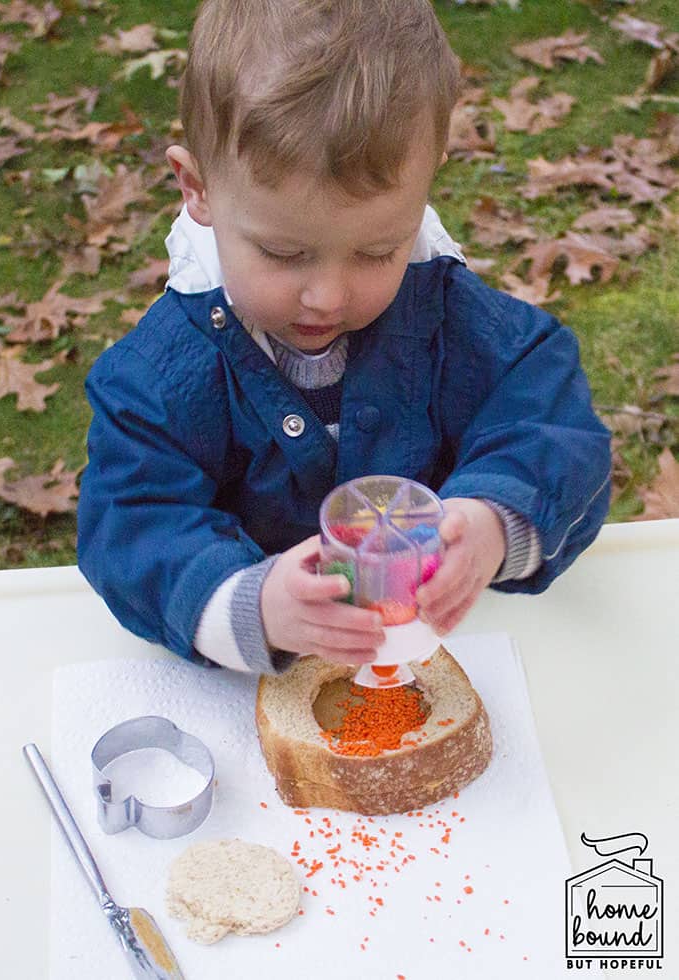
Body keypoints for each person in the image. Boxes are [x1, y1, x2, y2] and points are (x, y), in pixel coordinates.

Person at [77, 0, 611, 676]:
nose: (328, 296)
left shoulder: (444, 313)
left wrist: (491, 522)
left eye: (375, 252)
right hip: (241, 693)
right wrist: (250, 604)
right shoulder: (163, 375)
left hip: (450, 650)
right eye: (281, 253)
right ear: (198, 189)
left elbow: (552, 423)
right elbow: (130, 523)